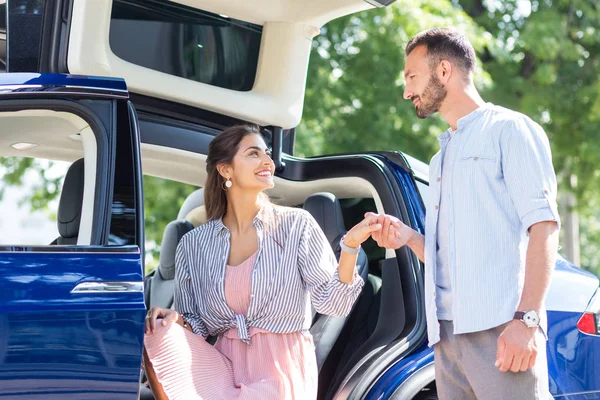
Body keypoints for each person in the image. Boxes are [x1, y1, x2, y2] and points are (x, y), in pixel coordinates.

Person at [370, 28, 560, 399]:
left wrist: (527, 321)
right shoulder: (441, 158)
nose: (407, 91)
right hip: (447, 338)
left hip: (502, 332)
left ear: (444, 70)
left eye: (412, 77)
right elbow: (449, 258)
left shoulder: (511, 130)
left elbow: (545, 227)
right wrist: (408, 238)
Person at [143, 124, 382, 400]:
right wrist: (178, 321)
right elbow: (199, 327)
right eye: (253, 153)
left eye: (266, 154)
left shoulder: (296, 225)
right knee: (159, 332)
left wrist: (350, 246)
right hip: (222, 367)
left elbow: (333, 304)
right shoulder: (193, 245)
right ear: (225, 170)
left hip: (280, 372)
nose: (267, 161)